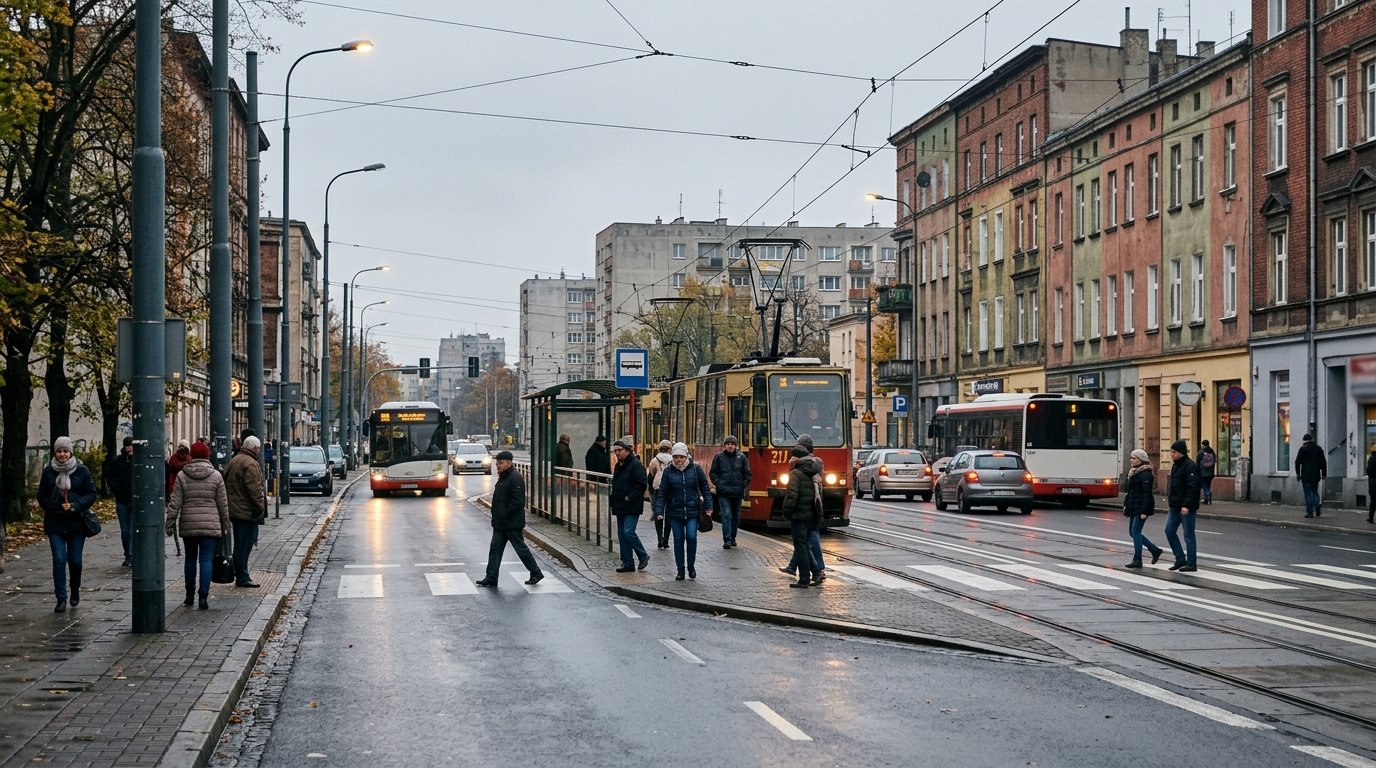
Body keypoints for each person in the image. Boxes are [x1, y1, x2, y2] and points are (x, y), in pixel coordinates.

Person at [165, 441, 230, 609]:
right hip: (210, 524)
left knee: (190, 559)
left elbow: (175, 502)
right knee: (206, 560)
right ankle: (203, 597)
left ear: (191, 455)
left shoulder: (182, 475)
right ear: (208, 455)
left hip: (189, 524)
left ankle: (189, 596)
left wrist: (170, 523)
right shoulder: (216, 476)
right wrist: (225, 526)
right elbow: (223, 505)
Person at [39, 437, 98, 612]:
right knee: (58, 559)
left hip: (76, 524)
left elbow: (91, 494)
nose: (62, 454)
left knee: (75, 561)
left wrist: (74, 505)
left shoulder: (82, 471)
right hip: (55, 523)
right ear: (55, 453)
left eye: (65, 451)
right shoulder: (49, 472)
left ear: (71, 452)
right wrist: (55, 506)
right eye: (59, 451)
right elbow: (41, 497)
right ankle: (61, 598)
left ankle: (74, 590)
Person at [476, 451, 544, 587]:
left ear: (509, 463)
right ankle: (491, 577)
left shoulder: (515, 477)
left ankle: (536, 572)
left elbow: (518, 501)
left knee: (521, 549)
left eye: (500, 463)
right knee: (495, 549)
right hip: (501, 524)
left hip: (511, 523)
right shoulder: (504, 476)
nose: (498, 465)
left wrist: (504, 514)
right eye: (497, 463)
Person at [654, 442, 711, 580]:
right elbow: (662, 493)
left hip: (693, 510)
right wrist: (659, 511)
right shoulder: (668, 472)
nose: (678, 460)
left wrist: (709, 506)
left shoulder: (695, 469)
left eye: (681, 457)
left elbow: (705, 487)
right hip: (674, 511)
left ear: (686, 457)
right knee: (678, 540)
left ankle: (691, 567)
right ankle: (681, 570)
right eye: (676, 457)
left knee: (691, 537)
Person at [778, 434, 827, 584]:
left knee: (802, 545)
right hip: (813, 513)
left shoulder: (796, 473)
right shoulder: (815, 468)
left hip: (799, 515)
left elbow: (791, 495)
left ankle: (806, 577)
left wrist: (786, 512)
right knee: (804, 545)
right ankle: (814, 571)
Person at [224, 435, 267, 588]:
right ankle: (242, 575)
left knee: (240, 543)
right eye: (258, 448)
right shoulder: (250, 463)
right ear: (254, 448)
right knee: (245, 544)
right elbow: (254, 489)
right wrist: (261, 507)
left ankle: (241, 574)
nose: (259, 451)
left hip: (236, 509)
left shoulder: (235, 459)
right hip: (247, 512)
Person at [609, 436, 649, 572]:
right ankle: (627, 562)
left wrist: (629, 497)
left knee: (628, 532)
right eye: (615, 451)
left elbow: (642, 484)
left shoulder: (636, 465)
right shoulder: (618, 465)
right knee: (622, 534)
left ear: (627, 450)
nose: (617, 453)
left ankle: (642, 555)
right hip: (620, 504)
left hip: (631, 505)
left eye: (619, 450)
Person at [1121, 449, 1164, 569]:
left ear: (1141, 460)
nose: (1131, 460)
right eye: (1131, 457)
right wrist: (1126, 505)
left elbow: (1147, 494)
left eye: (1134, 458)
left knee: (1136, 533)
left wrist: (1145, 511)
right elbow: (1130, 492)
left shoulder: (1146, 474)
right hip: (1133, 506)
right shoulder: (1133, 472)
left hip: (1141, 508)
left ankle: (1137, 559)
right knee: (1132, 533)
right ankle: (1154, 550)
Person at [1164, 440, 1201, 572]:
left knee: (1188, 535)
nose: (1171, 454)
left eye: (1174, 452)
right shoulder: (1176, 465)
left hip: (1186, 507)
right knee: (1169, 530)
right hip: (1175, 506)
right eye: (1171, 451)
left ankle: (1191, 563)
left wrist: (1186, 505)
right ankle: (1180, 558)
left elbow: (1193, 488)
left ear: (1181, 452)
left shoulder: (1190, 466)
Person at [710, 435, 751, 549]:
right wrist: (719, 484)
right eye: (728, 444)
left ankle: (733, 538)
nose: (730, 446)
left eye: (732, 444)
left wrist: (743, 484)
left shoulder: (741, 458)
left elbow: (747, 473)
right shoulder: (718, 457)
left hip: (737, 492)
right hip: (724, 492)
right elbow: (713, 473)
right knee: (726, 515)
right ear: (725, 445)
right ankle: (727, 540)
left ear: (735, 446)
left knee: (736, 516)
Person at [102, 436, 136, 566]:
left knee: (134, 529)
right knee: (125, 530)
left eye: (132, 446)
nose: (130, 448)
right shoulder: (117, 461)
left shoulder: (137, 460)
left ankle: (133, 554)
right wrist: (116, 489)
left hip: (134, 500)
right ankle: (128, 554)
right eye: (128, 446)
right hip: (122, 499)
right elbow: (109, 476)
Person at [647, 439, 673, 549]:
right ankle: (666, 540)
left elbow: (651, 474)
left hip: (658, 489)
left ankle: (659, 538)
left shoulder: (654, 460)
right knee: (669, 515)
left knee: (659, 513)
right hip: (671, 489)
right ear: (670, 449)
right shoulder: (674, 460)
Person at [1294, 433, 1327, 518]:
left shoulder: (1302, 449)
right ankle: (1317, 505)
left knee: (1308, 493)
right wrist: (1324, 474)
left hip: (1305, 474)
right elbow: (1323, 462)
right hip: (1316, 474)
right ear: (1312, 439)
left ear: (1304, 440)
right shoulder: (1318, 449)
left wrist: (1298, 473)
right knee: (1314, 491)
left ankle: (1310, 512)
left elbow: (1297, 462)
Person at [1196, 439, 1217, 505]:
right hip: (1210, 472)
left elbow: (1197, 461)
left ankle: (1208, 494)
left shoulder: (1201, 452)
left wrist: (1197, 471)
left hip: (1203, 473)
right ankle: (1207, 499)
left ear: (1203, 445)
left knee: (1204, 485)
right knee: (1208, 484)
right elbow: (1214, 461)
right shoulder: (1212, 451)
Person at [1366, 445, 1376, 525]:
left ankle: (1371, 518)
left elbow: (1368, 471)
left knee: (1373, 501)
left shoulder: (1370, 459)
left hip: (1372, 483)